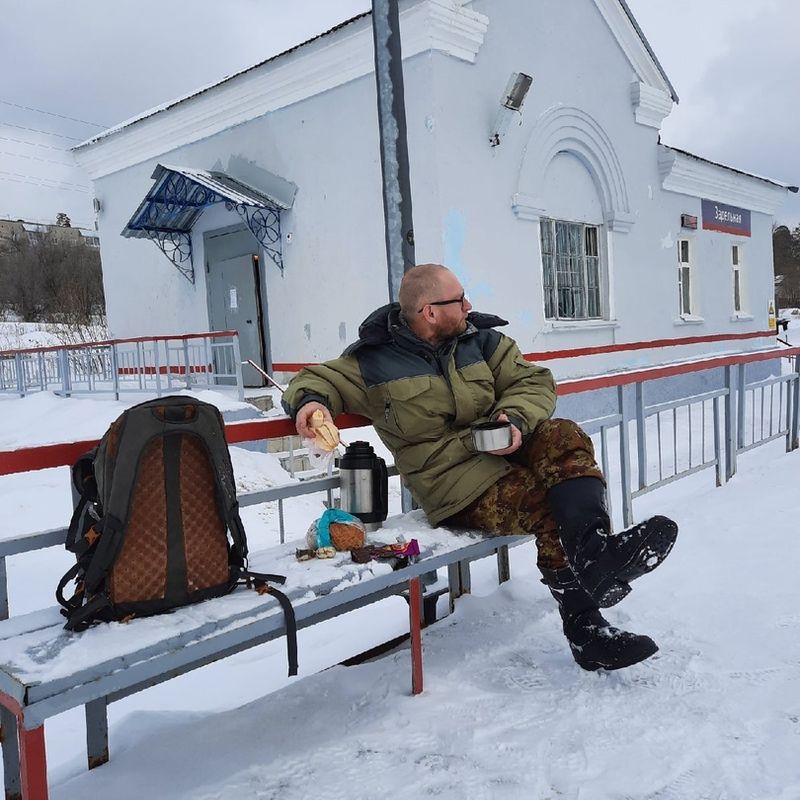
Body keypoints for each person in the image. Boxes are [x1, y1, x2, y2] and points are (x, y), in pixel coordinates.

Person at [283, 264, 677, 671]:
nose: (469, 305)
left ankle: (596, 555)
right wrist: (312, 405)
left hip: (502, 447)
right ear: (429, 312)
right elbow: (314, 380)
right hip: (452, 482)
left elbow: (535, 382)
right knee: (547, 504)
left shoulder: (481, 341)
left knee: (563, 434)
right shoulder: (373, 363)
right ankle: (585, 628)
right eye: (459, 299)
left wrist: (514, 418)